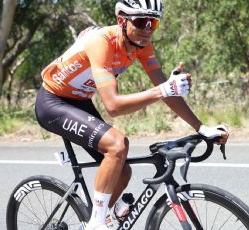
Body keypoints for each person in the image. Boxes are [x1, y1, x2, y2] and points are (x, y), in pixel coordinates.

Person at [35, 0, 229, 229]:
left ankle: (98, 217)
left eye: (153, 23)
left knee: (123, 171)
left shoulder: (142, 45)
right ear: (121, 21)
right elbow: (114, 106)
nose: (147, 29)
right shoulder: (102, 43)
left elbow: (166, 91)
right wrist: (164, 89)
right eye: (140, 21)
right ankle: (96, 224)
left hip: (80, 101)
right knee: (117, 145)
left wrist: (201, 128)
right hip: (53, 103)